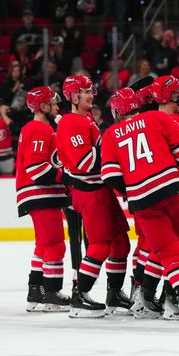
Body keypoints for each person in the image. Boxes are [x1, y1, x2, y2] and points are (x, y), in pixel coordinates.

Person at [100, 87, 179, 325]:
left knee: (168, 253)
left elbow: (110, 176)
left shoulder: (110, 134)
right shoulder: (157, 117)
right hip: (172, 188)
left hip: (142, 200)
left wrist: (131, 190)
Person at [57, 75, 132, 318]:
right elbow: (83, 162)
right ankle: (80, 295)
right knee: (100, 245)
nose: (91, 95)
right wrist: (112, 144)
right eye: (85, 92)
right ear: (73, 96)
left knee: (121, 242)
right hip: (89, 192)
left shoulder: (85, 119)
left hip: (102, 189)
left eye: (91, 91)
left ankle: (114, 294)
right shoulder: (70, 123)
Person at [16, 86, 71, 312]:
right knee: (55, 244)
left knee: (43, 244)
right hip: (40, 193)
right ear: (44, 107)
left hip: (39, 194)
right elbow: (36, 168)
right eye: (54, 104)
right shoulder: (39, 129)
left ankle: (35, 291)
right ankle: (51, 293)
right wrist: (66, 176)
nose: (57, 107)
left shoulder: (42, 129)